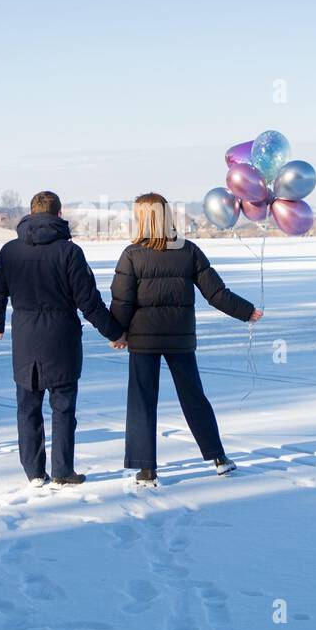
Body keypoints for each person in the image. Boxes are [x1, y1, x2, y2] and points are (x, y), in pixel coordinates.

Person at [109, 193, 262, 486]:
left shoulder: (132, 254)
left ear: (142, 219)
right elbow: (216, 293)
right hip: (180, 338)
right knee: (193, 397)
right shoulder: (188, 250)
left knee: (142, 401)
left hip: (143, 339)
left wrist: (117, 333)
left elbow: (122, 301)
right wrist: (245, 311)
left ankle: (146, 470)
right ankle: (218, 458)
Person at [0, 191, 123, 486]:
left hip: (25, 339)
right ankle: (62, 471)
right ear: (59, 215)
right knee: (63, 408)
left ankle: (34, 473)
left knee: (27, 407)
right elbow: (89, 301)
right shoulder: (70, 252)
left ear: (30, 214)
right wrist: (114, 332)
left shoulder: (10, 251)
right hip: (60, 339)